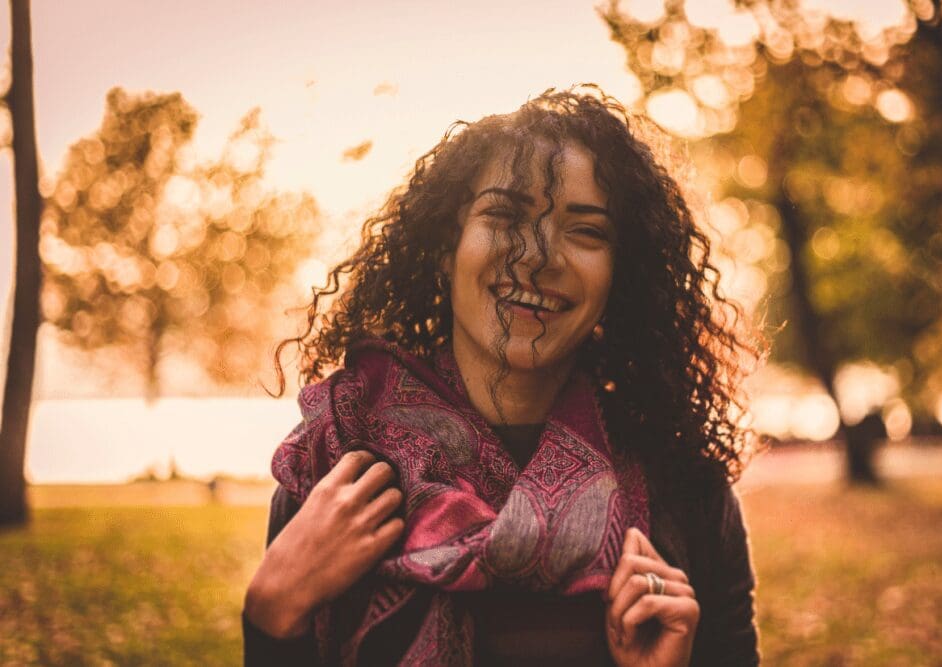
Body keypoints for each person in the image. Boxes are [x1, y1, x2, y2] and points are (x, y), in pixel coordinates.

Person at [243, 87, 761, 666]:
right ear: (448, 246)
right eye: (505, 215)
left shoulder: (687, 490)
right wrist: (271, 613)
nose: (536, 258)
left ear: (623, 273)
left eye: (586, 231)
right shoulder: (338, 463)